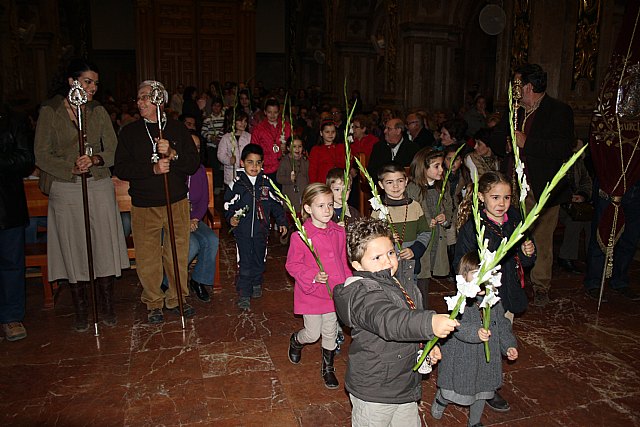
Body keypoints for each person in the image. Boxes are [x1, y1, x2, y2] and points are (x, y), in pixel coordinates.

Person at [333, 218, 459, 426]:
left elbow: (411, 316)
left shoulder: (399, 281)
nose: (388, 261)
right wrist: (429, 323)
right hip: (374, 391)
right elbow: (390, 320)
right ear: (357, 265)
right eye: (377, 257)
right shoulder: (362, 293)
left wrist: (427, 345)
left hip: (403, 384)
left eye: (391, 253)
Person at [35, 59, 129, 331]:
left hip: (97, 183)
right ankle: (80, 308)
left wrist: (96, 159)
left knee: (102, 242)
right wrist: (70, 167)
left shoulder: (97, 111)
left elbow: (114, 149)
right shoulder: (50, 111)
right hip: (65, 186)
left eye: (96, 83)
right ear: (71, 81)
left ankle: (107, 304)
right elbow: (41, 154)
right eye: (88, 82)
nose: (93, 88)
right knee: (73, 245)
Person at [114, 79, 200, 324]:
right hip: (144, 204)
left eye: (144, 97)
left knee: (177, 254)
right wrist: (151, 168)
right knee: (148, 257)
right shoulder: (130, 132)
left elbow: (193, 164)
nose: (139, 102)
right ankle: (153, 302)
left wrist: (173, 154)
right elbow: (121, 167)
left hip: (175, 202)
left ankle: (177, 298)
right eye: (139, 98)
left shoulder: (177, 129)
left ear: (158, 100)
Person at [490, 63, 574, 307]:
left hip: (543, 186)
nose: (513, 90)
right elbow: (495, 137)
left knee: (542, 237)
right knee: (509, 233)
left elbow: (562, 148)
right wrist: (505, 144)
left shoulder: (559, 111)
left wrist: (527, 142)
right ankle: (510, 281)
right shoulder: (514, 110)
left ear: (527, 86)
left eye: (516, 84)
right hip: (512, 187)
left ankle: (540, 286)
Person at [454, 171, 535, 412]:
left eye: (507, 198)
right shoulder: (474, 227)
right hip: (483, 297)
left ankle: (491, 387)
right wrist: (473, 287)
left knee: (500, 338)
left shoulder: (515, 221)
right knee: (481, 342)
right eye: (495, 197)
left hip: (508, 293)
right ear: (481, 197)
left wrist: (528, 252)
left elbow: (526, 261)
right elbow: (461, 263)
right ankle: (476, 383)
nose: (502, 203)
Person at [431, 251, 519, 427]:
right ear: (464, 277)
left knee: (482, 390)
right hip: (462, 359)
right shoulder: (460, 300)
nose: (481, 279)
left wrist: (508, 346)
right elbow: (457, 326)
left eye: (485, 274)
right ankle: (441, 399)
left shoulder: (493, 300)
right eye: (475, 274)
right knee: (451, 390)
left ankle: (475, 421)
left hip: (487, 361)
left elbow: (502, 325)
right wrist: (475, 333)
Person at [285, 183, 352, 389]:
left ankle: (328, 368)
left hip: (333, 292)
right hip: (312, 293)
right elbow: (292, 264)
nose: (327, 210)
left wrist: (348, 282)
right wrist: (313, 276)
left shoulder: (339, 232)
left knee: (330, 331)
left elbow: (342, 260)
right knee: (313, 333)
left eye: (330, 205)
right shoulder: (301, 236)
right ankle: (296, 340)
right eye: (321, 206)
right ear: (307, 208)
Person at [224, 144, 288, 310]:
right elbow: (227, 204)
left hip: (261, 230)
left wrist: (282, 221)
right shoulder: (236, 184)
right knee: (245, 262)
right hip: (243, 232)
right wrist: (231, 218)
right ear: (242, 163)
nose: (254, 166)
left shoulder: (266, 183)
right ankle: (244, 294)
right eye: (250, 162)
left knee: (259, 258)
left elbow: (276, 204)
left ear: (262, 164)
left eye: (258, 163)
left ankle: (257, 281)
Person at [161, 133, 219, 303]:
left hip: (193, 218)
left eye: (198, 147)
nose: (195, 150)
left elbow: (203, 200)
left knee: (211, 240)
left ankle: (198, 280)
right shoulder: (170, 168)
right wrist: (183, 221)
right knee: (191, 245)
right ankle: (167, 282)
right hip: (172, 219)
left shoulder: (199, 170)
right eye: (191, 146)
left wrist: (194, 219)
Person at [0, 102, 35, 341]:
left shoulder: (13, 119)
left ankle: (11, 316)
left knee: (10, 263)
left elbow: (25, 160)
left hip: (6, 205)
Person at [407, 148, 453, 306]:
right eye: (436, 166)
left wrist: (445, 218)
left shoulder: (443, 186)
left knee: (431, 270)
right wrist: (426, 222)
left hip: (437, 237)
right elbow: (413, 211)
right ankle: (421, 307)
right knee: (422, 275)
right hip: (422, 238)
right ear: (423, 168)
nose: (441, 170)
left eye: (442, 166)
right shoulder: (414, 188)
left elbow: (449, 207)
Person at [373, 163, 430, 278]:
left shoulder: (415, 207)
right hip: (386, 267)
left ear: (406, 181)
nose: (395, 186)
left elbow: (425, 232)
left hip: (410, 266)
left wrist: (414, 251)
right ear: (381, 185)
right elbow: (372, 238)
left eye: (399, 181)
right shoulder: (378, 210)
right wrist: (387, 237)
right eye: (389, 182)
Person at [251, 98, 292, 183]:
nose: (272, 115)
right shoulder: (258, 129)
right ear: (265, 112)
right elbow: (254, 149)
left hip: (284, 167)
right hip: (266, 168)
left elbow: (294, 145)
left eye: (275, 112)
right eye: (269, 112)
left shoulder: (286, 126)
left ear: (279, 112)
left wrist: (288, 148)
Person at [217, 110, 252, 188]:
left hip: (246, 173)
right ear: (234, 122)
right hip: (231, 175)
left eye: (245, 121)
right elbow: (220, 154)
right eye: (240, 121)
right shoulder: (226, 137)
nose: (243, 124)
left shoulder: (249, 137)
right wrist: (229, 160)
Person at [276, 135, 309, 212]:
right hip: (290, 194)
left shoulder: (305, 161)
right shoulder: (284, 161)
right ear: (288, 148)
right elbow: (279, 178)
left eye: (300, 146)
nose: (297, 149)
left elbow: (308, 177)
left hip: (303, 193)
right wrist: (289, 179)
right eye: (294, 146)